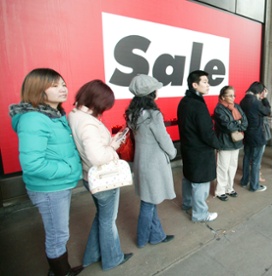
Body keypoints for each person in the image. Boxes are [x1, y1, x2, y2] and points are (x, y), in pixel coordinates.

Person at [9, 68, 83, 276]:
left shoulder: (54, 115)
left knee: (59, 232)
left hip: (59, 185)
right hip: (50, 188)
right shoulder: (34, 119)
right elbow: (33, 164)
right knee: (57, 235)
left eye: (63, 84)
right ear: (38, 90)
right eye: (54, 85)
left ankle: (61, 269)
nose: (63, 89)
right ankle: (61, 273)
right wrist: (69, 168)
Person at [68, 80, 133, 271]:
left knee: (102, 217)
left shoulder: (75, 115)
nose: (105, 109)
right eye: (105, 105)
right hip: (103, 177)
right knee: (108, 220)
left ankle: (91, 256)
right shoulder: (88, 123)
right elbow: (98, 157)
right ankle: (113, 258)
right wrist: (113, 147)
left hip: (90, 177)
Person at [125, 75, 176, 248]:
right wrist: (173, 152)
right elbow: (164, 138)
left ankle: (157, 235)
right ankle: (142, 238)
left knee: (150, 200)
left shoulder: (133, 112)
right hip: (154, 164)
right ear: (151, 92)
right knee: (148, 203)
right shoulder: (153, 114)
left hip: (142, 162)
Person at [177, 70, 221, 222]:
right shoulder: (198, 105)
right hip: (200, 151)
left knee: (189, 178)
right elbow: (207, 133)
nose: (208, 85)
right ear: (194, 85)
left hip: (188, 148)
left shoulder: (184, 102)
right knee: (200, 183)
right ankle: (200, 214)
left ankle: (187, 204)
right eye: (204, 82)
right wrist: (218, 144)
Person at [213, 86, 248, 201]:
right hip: (224, 142)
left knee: (233, 166)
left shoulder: (236, 107)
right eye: (230, 95)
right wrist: (238, 123)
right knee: (223, 167)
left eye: (234, 95)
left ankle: (229, 188)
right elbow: (227, 126)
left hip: (236, 142)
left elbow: (245, 122)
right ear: (223, 96)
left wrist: (237, 124)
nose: (233, 98)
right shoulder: (219, 109)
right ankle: (220, 191)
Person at [239, 81, 271, 191]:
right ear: (260, 91)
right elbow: (267, 111)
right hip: (257, 135)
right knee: (256, 161)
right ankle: (254, 186)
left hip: (247, 134)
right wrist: (265, 98)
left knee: (247, 158)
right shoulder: (256, 102)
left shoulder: (243, 100)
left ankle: (244, 181)